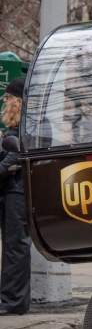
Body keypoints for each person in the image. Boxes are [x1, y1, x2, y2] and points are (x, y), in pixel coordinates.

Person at [0, 78, 30, 315]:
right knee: (11, 246)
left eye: (9, 97)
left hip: (18, 191)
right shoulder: (14, 127)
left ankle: (14, 301)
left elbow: (17, 155)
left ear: (18, 101)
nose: (5, 100)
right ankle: (8, 297)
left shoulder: (26, 125)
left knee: (15, 247)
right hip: (9, 189)